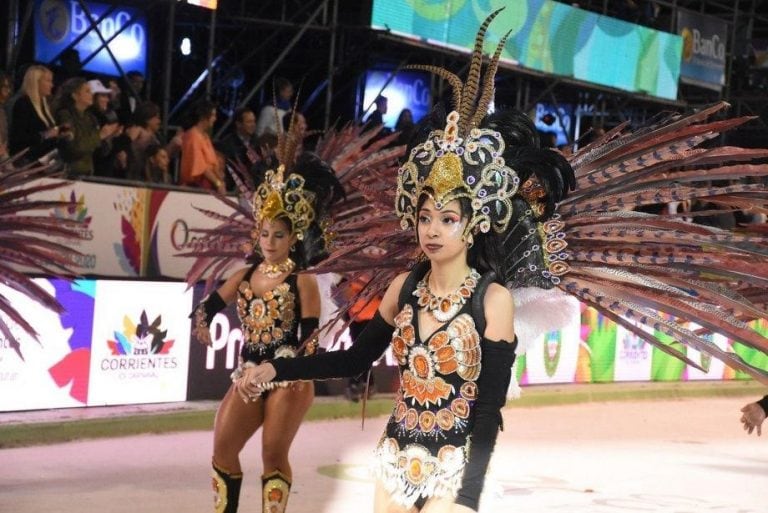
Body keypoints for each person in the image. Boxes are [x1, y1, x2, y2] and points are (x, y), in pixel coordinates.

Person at [190, 122, 345, 512]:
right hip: (248, 373)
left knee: (272, 453)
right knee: (223, 448)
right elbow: (207, 306)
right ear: (256, 235)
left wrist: (279, 369)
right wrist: (202, 323)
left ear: (293, 238)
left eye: (279, 235)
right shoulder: (243, 275)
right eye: (265, 235)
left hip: (289, 377)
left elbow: (309, 340)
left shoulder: (302, 280)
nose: (270, 243)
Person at [54, 77, 121, 176]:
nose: (91, 95)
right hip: (68, 173)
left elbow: (97, 151)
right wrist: (100, 136)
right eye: (87, 91)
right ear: (75, 96)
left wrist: (109, 137)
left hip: (87, 173)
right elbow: (72, 147)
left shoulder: (90, 118)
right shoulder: (64, 116)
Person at [9, 65, 64, 163]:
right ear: (35, 82)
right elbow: (18, 139)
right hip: (28, 162)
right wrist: (46, 134)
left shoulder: (44, 105)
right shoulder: (23, 104)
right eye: (48, 81)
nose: (52, 85)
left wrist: (60, 133)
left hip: (43, 161)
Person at [179, 99, 225, 192]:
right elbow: (201, 167)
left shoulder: (205, 136)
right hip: (196, 186)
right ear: (203, 117)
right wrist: (217, 183)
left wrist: (220, 180)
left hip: (210, 183)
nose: (215, 119)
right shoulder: (192, 136)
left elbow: (212, 163)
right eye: (213, 115)